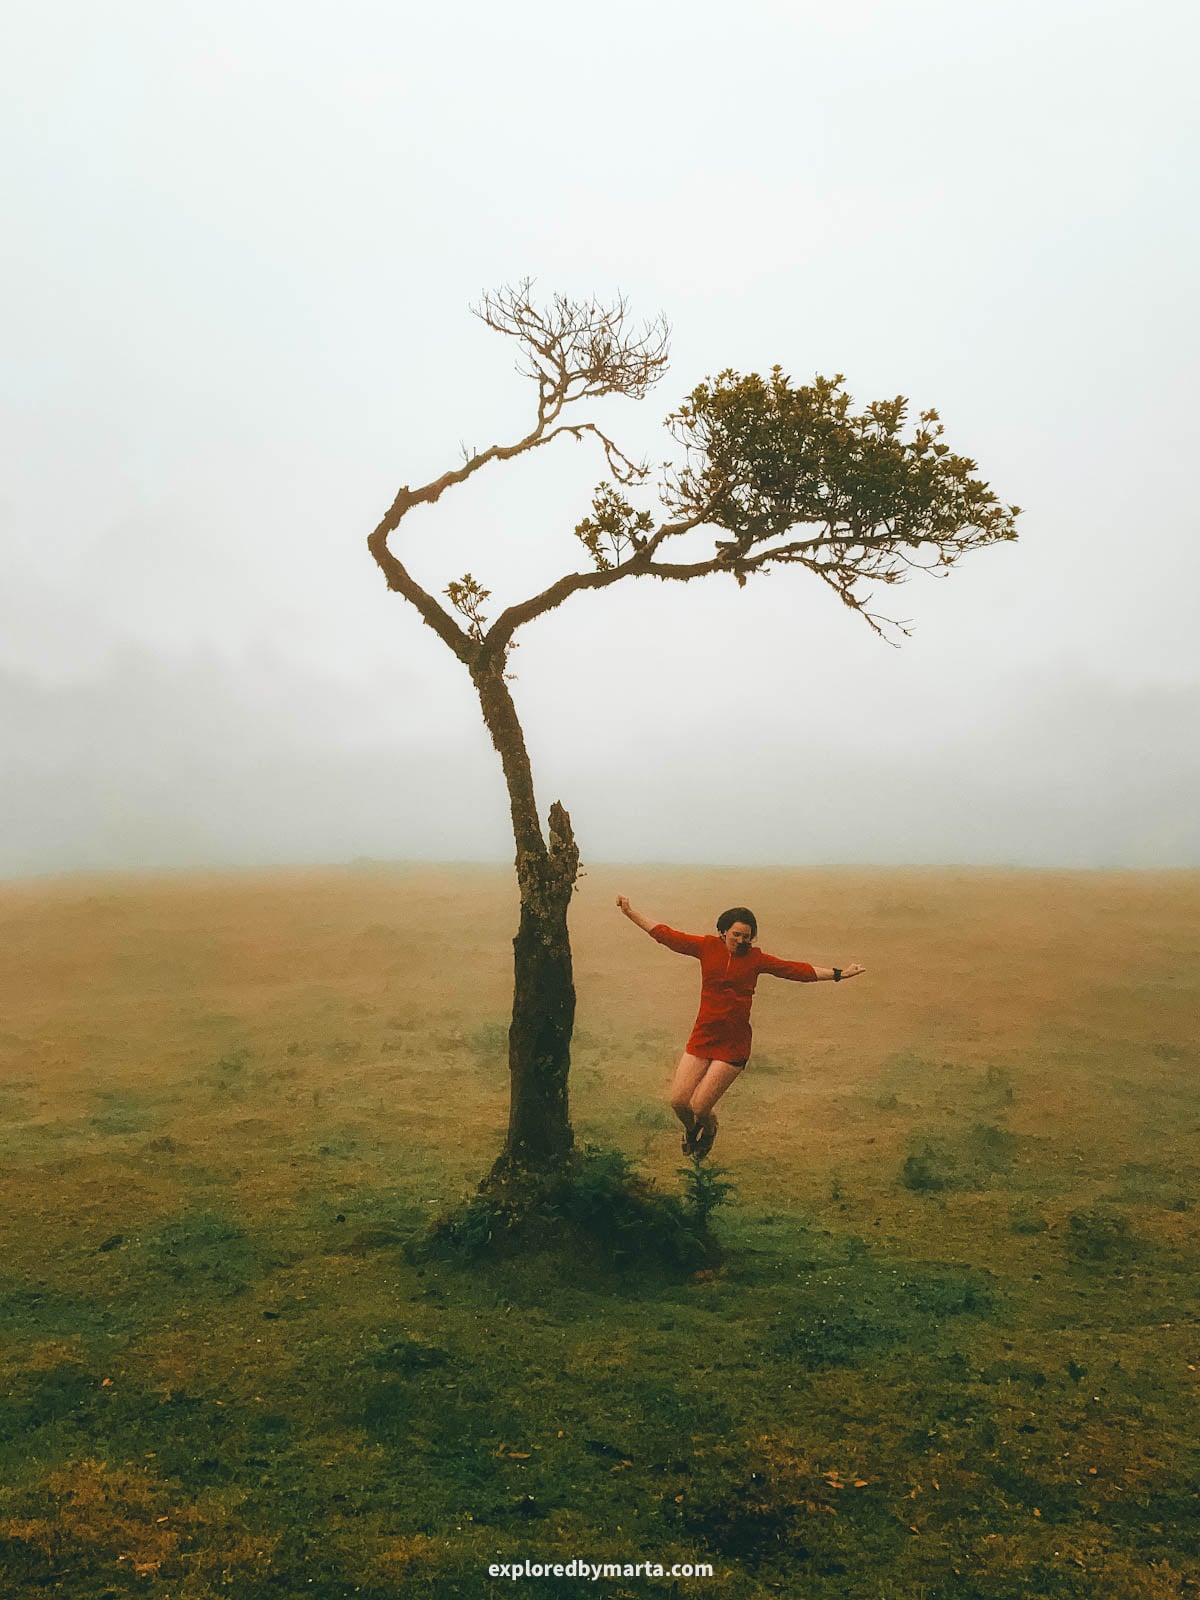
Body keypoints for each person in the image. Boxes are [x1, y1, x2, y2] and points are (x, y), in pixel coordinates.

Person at [616, 896, 865, 1157]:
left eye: (747, 936)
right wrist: (630, 912)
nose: (741, 941)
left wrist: (839, 974)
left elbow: (794, 970)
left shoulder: (756, 959)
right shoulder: (706, 947)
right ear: (723, 931)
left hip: (734, 1044)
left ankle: (709, 1131)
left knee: (701, 1107)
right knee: (679, 1102)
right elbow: (666, 935)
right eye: (736, 934)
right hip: (703, 1035)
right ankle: (691, 1130)